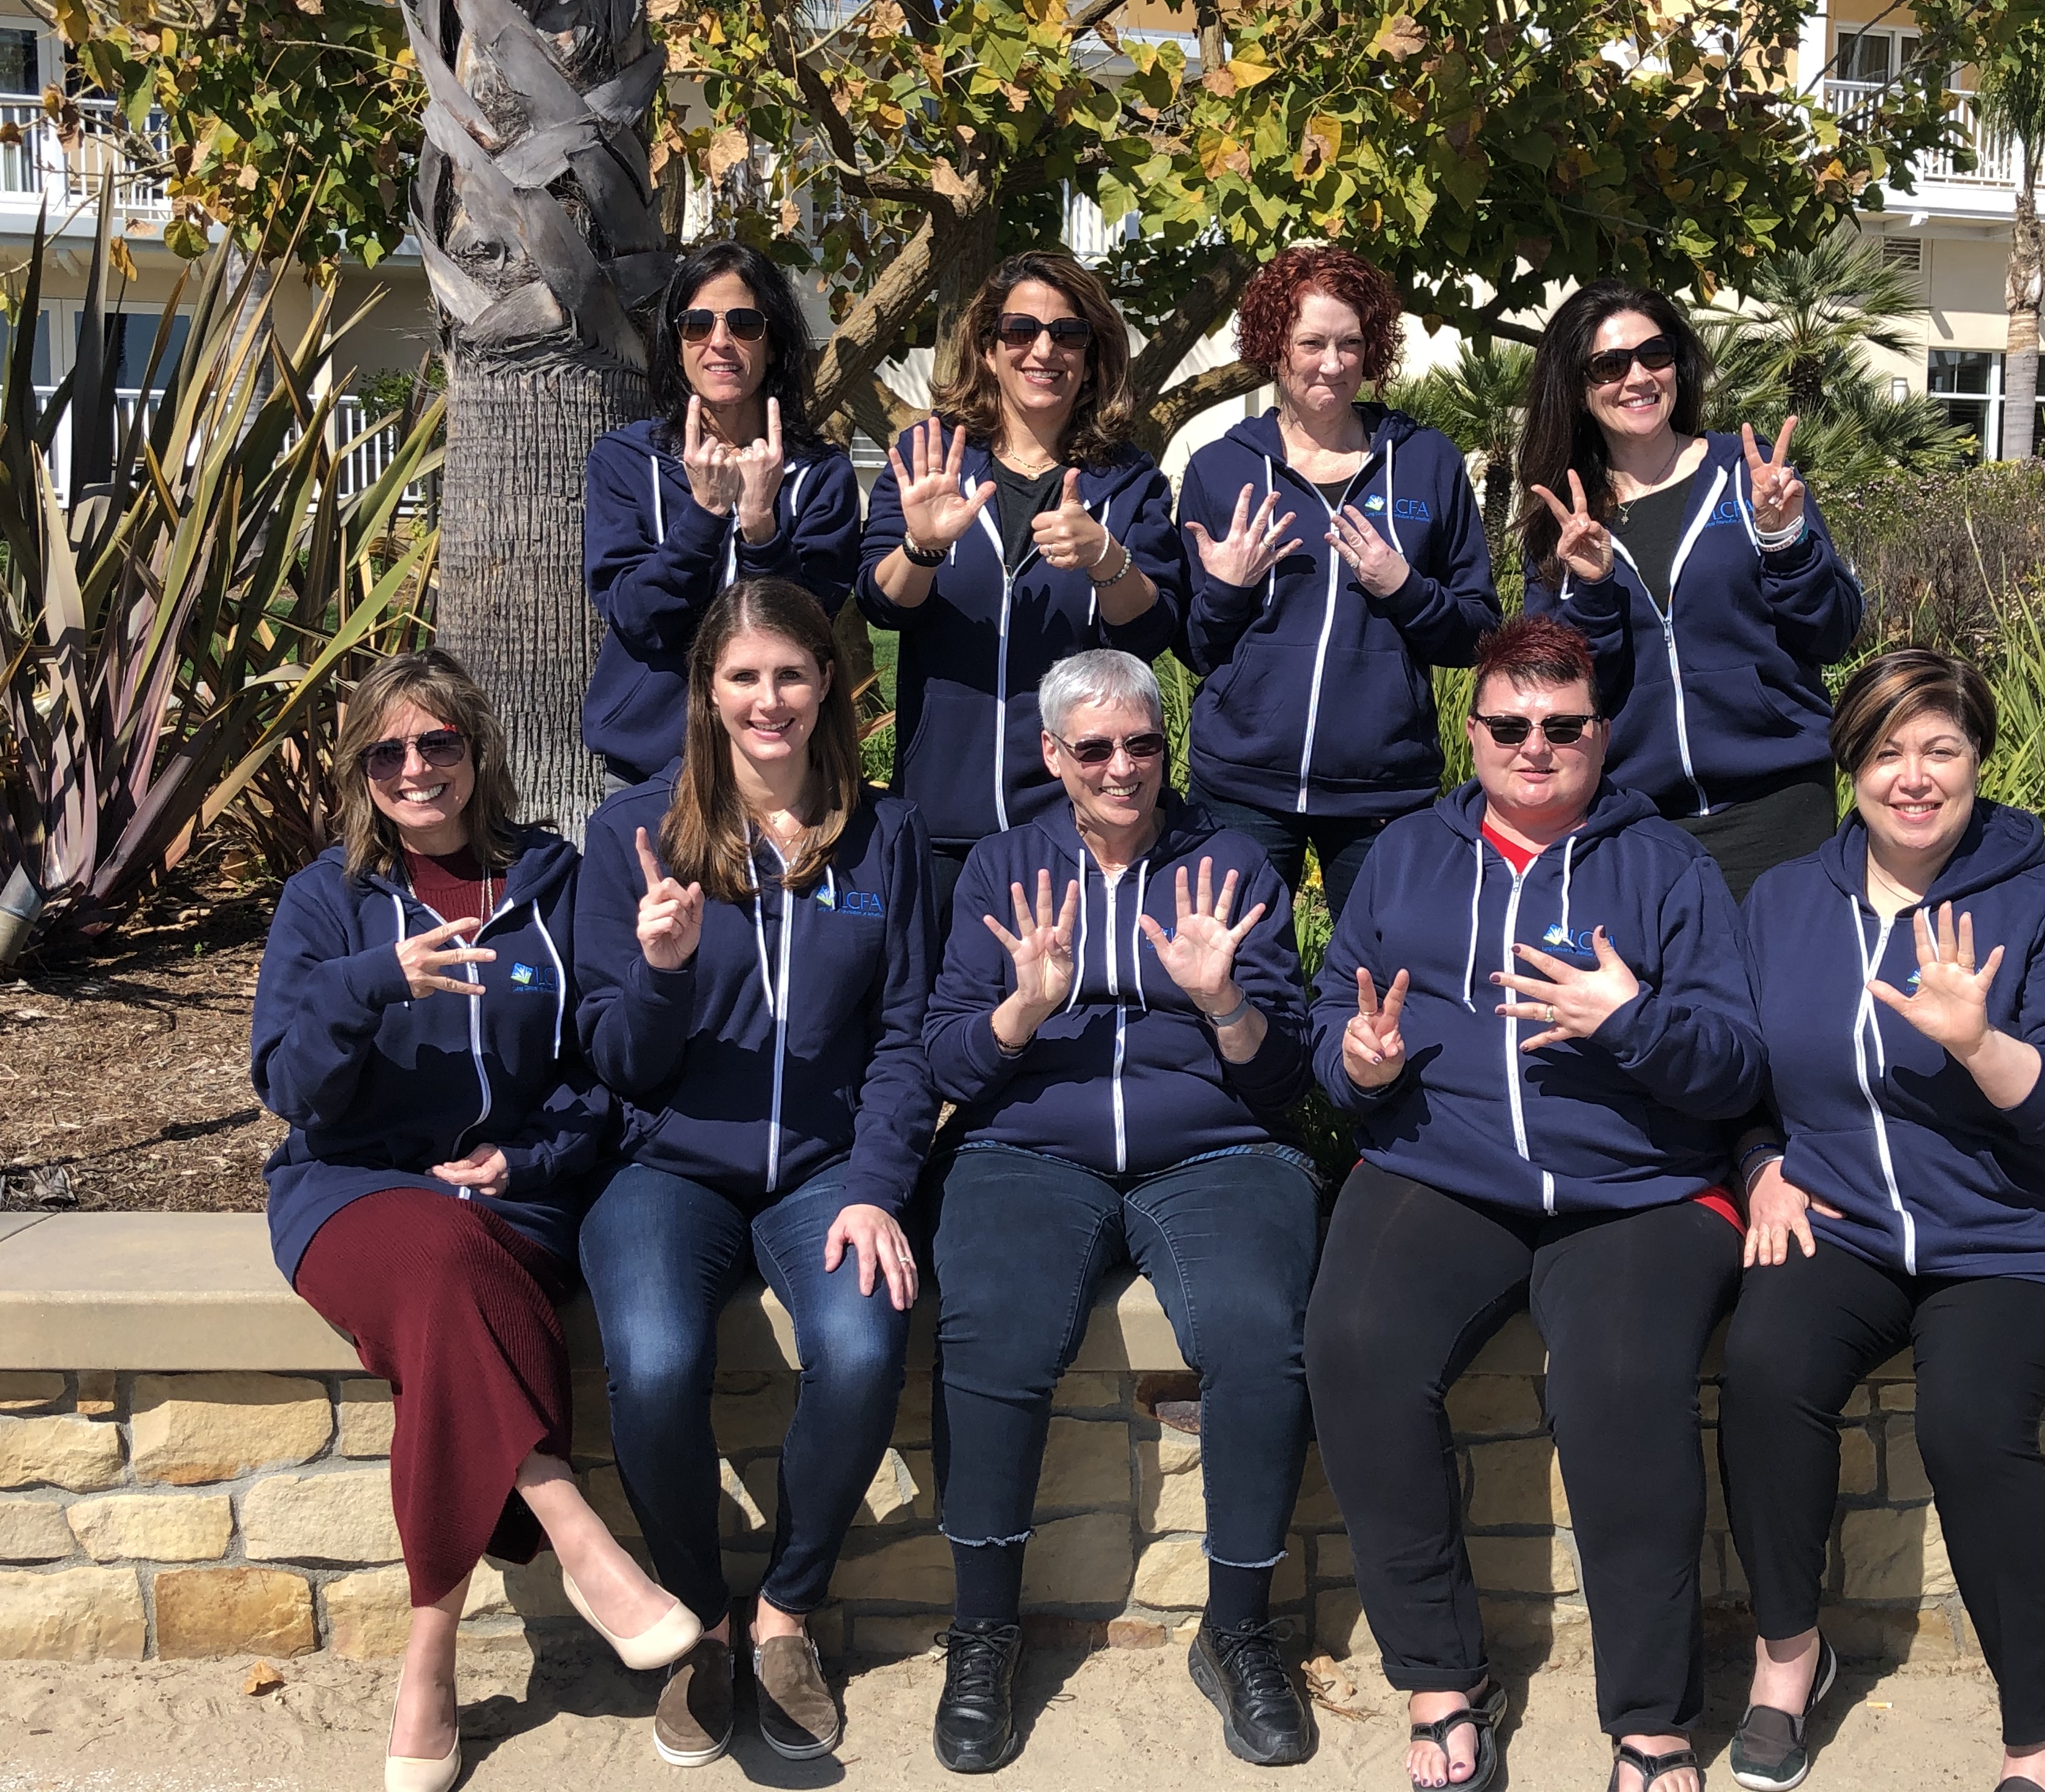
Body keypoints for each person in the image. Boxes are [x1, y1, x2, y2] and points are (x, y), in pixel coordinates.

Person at [1306, 617, 1766, 1792]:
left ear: (1601, 736)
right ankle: (1443, 1679)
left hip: (1637, 1191)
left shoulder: (1666, 866)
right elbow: (1328, 1018)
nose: (1535, 747)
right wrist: (1356, 1062)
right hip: (1443, 1170)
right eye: (1509, 725)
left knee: (1619, 1384)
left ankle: (1653, 1722)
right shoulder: (1408, 855)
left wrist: (1632, 1022)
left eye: (1563, 727)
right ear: (1472, 733)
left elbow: (1734, 1064)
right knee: (1354, 1345)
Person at [252, 650, 699, 1792]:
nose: (417, 768)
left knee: (452, 1282)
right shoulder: (326, 898)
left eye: (438, 742)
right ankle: (576, 1531)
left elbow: (601, 1074)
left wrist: (529, 1153)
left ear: (476, 752)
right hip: (351, 1191)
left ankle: (429, 1657)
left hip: (514, 1197)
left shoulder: (551, 881)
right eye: (389, 750)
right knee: (435, 1253)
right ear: (362, 769)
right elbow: (294, 1089)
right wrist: (367, 985)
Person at [1719, 649, 2045, 1792]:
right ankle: (1788, 1654)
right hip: (1847, 1224)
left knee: (1967, 1426)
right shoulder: (1786, 902)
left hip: (2009, 1234)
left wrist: (1982, 1045)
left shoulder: (2044, 906)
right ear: (1849, 765)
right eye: (1887, 750)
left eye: (1940, 748)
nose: (1914, 776)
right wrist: (1760, 1165)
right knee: (1761, 1365)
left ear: (1977, 761)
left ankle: (2039, 1739)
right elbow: (1742, 1082)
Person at [922, 649, 1318, 1773]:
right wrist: (1021, 1008)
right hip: (1027, 1147)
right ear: (1051, 755)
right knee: (992, 1327)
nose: (1121, 767)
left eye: (1142, 743)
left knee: (1256, 1333)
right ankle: (984, 1630)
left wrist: (1223, 1001)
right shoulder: (1003, 867)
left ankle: (1238, 1626)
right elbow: (947, 1047)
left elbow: (1283, 1073)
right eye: (1092, 747)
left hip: (1215, 1148)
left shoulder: (1228, 863)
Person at [573, 579, 936, 1770]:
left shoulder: (885, 837)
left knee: (866, 1340)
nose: (769, 698)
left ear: (829, 683)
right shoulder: (635, 836)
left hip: (824, 1168)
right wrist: (663, 969)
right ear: (707, 694)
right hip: (665, 1167)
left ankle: (785, 1611)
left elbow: (904, 1036)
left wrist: (879, 1182)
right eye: (743, 677)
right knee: (659, 1360)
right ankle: (702, 1625)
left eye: (791, 673)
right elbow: (616, 1058)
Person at [857, 253, 1189, 915]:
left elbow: (1152, 630)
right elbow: (881, 602)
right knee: (945, 1014)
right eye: (1019, 331)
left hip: (1075, 822)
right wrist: (924, 546)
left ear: (1093, 358)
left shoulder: (1126, 480)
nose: (1044, 350)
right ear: (987, 348)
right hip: (942, 815)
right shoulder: (933, 456)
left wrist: (1106, 558)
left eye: (1068, 335)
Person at [1176, 244, 1501, 919]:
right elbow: (1197, 649)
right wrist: (1230, 590)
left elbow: (1480, 634)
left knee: (1382, 987)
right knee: (1231, 983)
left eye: (1350, 343)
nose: (1332, 363)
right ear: (1275, 346)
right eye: (1312, 342)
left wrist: (1405, 588)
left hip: (1380, 792)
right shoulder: (1220, 469)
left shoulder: (1426, 463)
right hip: (1243, 786)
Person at [1518, 280, 1861, 901]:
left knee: (1775, 994)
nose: (1638, 378)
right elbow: (1559, 693)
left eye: (1655, 354)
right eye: (1609, 365)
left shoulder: (1749, 476)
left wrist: (1786, 542)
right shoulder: (1564, 520)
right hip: (1637, 815)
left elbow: (1833, 633)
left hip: (1779, 799)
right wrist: (1592, 589)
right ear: (1578, 385)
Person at [584, 239, 862, 786]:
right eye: (696, 325)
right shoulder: (624, 461)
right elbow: (636, 616)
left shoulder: (821, 475)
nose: (720, 343)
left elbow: (805, 636)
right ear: (677, 344)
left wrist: (761, 530)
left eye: (743, 323)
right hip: (649, 769)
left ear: (774, 343)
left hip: (780, 763)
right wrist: (707, 516)